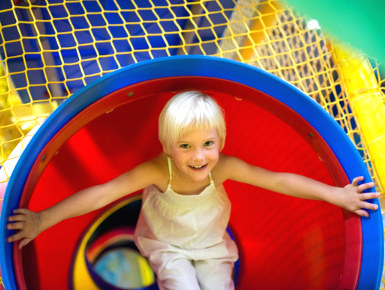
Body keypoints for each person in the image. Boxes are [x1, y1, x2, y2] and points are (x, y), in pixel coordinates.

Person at [7, 91, 379, 290]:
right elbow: (103, 193)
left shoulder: (225, 168)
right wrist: (43, 218)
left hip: (213, 247)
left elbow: (279, 180)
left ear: (221, 141)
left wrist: (337, 194)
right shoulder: (159, 170)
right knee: (182, 284)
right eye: (185, 146)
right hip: (166, 246)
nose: (199, 156)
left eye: (208, 144)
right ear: (168, 147)